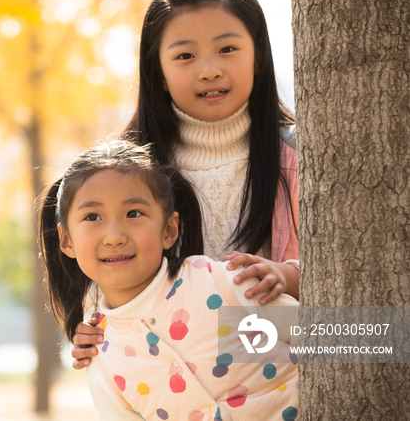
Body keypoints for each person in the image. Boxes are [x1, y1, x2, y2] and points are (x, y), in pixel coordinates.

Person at [71, 0, 300, 368]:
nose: (209, 70)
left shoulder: (300, 158)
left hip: (284, 384)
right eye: (184, 56)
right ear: (157, 71)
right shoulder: (123, 174)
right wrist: (99, 328)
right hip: (168, 384)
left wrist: (290, 279)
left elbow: (367, 332)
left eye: (227, 49)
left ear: (258, 57)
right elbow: (110, 288)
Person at [39, 140, 299, 420]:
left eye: (134, 213)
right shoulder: (103, 363)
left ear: (169, 229)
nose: (114, 236)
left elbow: (337, 340)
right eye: (93, 217)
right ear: (66, 241)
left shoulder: (223, 286)